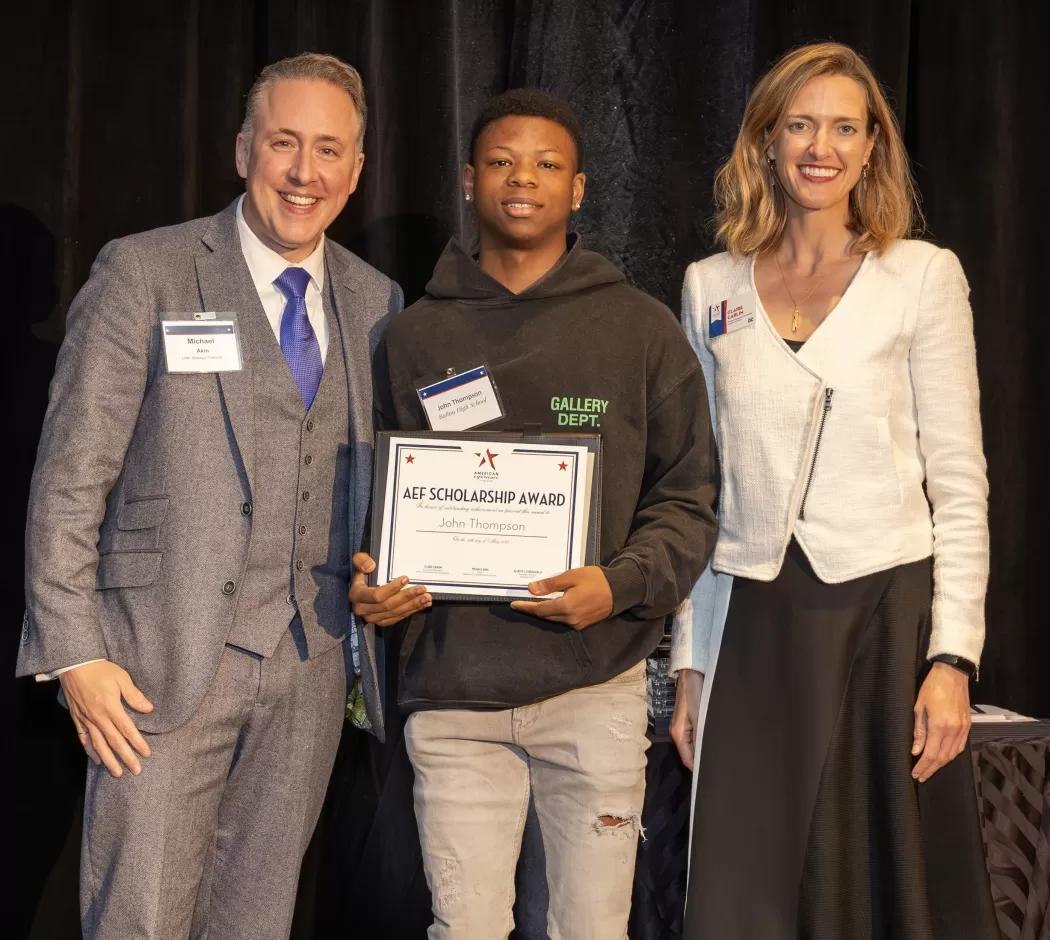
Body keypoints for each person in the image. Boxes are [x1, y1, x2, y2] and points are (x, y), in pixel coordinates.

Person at [16, 52, 425, 940]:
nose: (304, 172)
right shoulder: (146, 271)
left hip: (311, 668)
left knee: (257, 922)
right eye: (284, 143)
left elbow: (373, 481)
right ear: (244, 151)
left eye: (328, 150)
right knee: (139, 921)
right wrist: (75, 654)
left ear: (357, 170)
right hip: (154, 667)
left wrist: (386, 571)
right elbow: (70, 475)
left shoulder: (377, 300)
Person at [353, 88, 719, 939]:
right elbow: (374, 502)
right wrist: (372, 581)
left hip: (594, 689)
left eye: (547, 164)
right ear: (468, 179)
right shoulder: (411, 337)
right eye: (502, 162)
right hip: (454, 698)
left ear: (579, 188)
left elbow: (688, 498)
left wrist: (619, 585)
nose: (524, 179)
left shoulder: (641, 331)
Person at [669, 42, 998, 939]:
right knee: (741, 889)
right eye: (801, 125)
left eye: (845, 128)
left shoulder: (921, 276)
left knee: (869, 883)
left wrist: (953, 659)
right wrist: (690, 663)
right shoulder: (711, 287)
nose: (822, 147)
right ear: (766, 141)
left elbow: (959, 481)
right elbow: (701, 491)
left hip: (881, 614)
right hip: (750, 619)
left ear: (872, 147)